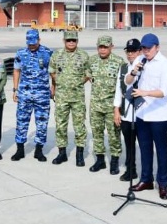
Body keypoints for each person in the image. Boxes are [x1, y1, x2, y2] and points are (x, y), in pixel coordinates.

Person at [124, 33, 167, 200]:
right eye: (144, 48)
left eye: (149, 48)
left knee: (161, 150)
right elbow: (127, 81)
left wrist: (143, 92)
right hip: (142, 114)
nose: (146, 51)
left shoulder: (165, 64)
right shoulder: (140, 61)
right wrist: (133, 71)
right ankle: (146, 179)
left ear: (157, 47)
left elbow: (163, 92)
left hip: (159, 115)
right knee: (145, 148)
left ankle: (163, 184)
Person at [48, 29, 89, 166]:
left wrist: (76, 83)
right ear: (64, 41)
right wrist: (59, 82)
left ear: (77, 41)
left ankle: (79, 154)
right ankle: (62, 153)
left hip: (77, 97)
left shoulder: (83, 55)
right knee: (60, 125)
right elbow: (52, 71)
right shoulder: (56, 54)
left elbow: (88, 74)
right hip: (61, 96)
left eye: (73, 40)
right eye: (68, 40)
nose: (71, 42)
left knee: (80, 126)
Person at [11, 29, 53, 162]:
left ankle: (39, 150)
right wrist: (15, 90)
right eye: (29, 44)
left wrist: (54, 87)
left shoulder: (48, 53)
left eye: (34, 43)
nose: (32, 46)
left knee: (42, 122)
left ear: (39, 40)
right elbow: (16, 71)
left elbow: (53, 72)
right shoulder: (21, 53)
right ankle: (20, 149)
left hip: (42, 94)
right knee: (21, 121)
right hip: (25, 94)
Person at [87, 35, 125, 175]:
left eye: (105, 47)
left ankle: (114, 161)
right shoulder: (92, 60)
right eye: (100, 47)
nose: (102, 50)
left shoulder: (119, 62)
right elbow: (90, 77)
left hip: (112, 106)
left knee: (114, 134)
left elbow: (123, 86)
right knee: (97, 133)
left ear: (111, 47)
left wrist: (118, 108)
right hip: (96, 105)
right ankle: (100, 160)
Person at [113, 38, 141, 182]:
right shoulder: (124, 67)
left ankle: (145, 173)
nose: (130, 54)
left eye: (134, 51)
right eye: (128, 51)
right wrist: (116, 110)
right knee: (129, 144)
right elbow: (119, 89)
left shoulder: (144, 67)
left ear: (140, 51)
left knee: (143, 145)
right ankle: (131, 170)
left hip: (140, 114)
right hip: (126, 113)